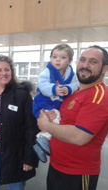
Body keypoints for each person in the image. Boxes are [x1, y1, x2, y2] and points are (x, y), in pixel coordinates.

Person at [38, 45, 108, 190]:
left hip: (77, 173)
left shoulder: (98, 96)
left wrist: (47, 126)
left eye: (93, 62)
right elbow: (65, 120)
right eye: (82, 60)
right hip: (57, 166)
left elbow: (80, 136)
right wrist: (52, 116)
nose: (85, 65)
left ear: (105, 69)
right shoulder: (74, 91)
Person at [0, 55, 39, 190]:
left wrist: (29, 157)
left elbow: (31, 128)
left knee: (16, 187)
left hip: (15, 155)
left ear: (12, 72)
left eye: (7, 69)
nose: (3, 73)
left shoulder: (22, 95)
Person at [32, 44, 79, 163]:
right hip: (44, 103)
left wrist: (69, 88)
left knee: (57, 119)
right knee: (55, 118)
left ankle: (42, 147)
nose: (58, 60)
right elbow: (42, 85)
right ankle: (42, 139)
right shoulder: (47, 72)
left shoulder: (71, 74)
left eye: (63, 57)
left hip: (56, 103)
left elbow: (76, 85)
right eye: (54, 57)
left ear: (70, 61)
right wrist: (53, 88)